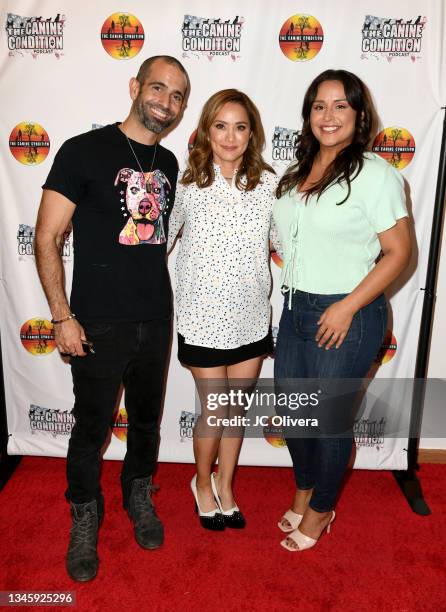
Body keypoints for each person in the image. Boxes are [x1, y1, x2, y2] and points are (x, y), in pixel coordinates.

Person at [34, 55, 189, 581]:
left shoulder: (168, 164)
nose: (165, 102)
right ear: (134, 86)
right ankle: (84, 513)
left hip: (155, 316)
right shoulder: (82, 151)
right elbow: (47, 237)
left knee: (146, 422)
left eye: (176, 95)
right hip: (97, 322)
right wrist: (61, 316)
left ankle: (138, 496)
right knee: (91, 427)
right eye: (158, 88)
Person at [273, 69, 411, 551]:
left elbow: (399, 252)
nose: (328, 116)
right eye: (318, 106)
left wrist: (347, 306)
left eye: (340, 106)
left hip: (347, 315)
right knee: (294, 417)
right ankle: (305, 488)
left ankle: (321, 509)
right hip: (293, 311)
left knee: (328, 422)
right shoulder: (294, 175)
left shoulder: (376, 174)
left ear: (358, 114)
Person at [168, 89, 279, 531]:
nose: (230, 136)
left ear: (252, 133)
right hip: (201, 319)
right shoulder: (186, 183)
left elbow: (286, 244)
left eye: (240, 127)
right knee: (214, 411)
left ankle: (226, 486)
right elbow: (160, 239)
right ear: (206, 130)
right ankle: (200, 483)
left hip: (250, 317)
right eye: (221, 126)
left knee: (236, 410)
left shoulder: (271, 184)